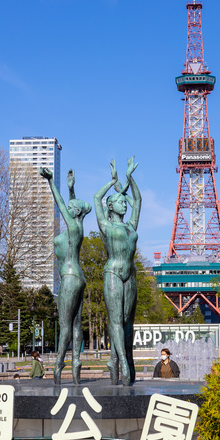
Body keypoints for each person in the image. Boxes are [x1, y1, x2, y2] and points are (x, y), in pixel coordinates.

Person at [41, 167, 92, 385]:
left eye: (73, 208)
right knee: (76, 324)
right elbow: (72, 205)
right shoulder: (77, 227)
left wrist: (51, 182)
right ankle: (77, 362)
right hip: (78, 277)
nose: (68, 208)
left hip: (69, 278)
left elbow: (62, 204)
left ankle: (58, 364)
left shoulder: (72, 226)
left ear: (76, 212)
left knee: (65, 326)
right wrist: (72, 189)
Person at [94, 158, 141, 387]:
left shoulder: (131, 226)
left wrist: (129, 180)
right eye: (120, 201)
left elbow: (138, 200)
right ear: (110, 206)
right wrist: (112, 182)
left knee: (127, 321)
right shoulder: (106, 225)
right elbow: (96, 198)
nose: (125, 204)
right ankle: (122, 360)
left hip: (131, 274)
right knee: (115, 320)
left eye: (125, 201)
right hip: (113, 272)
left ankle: (117, 360)